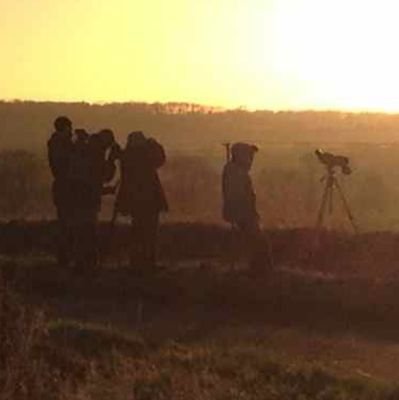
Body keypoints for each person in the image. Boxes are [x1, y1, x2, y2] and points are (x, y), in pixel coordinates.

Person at [115, 131, 168, 272]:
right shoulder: (146, 156)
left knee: (138, 232)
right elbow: (160, 160)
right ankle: (148, 262)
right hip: (149, 200)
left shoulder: (127, 156)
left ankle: (137, 262)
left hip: (134, 200)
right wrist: (154, 144)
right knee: (149, 233)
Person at [72, 129, 120, 271]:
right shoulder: (95, 153)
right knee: (88, 232)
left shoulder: (87, 149)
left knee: (83, 231)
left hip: (81, 197)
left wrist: (104, 190)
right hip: (87, 199)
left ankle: (82, 262)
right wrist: (111, 160)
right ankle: (87, 264)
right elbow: (103, 176)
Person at [222, 142, 268, 272]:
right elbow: (239, 196)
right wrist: (250, 212)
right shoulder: (235, 172)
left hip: (241, 212)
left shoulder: (233, 170)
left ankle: (258, 267)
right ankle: (260, 269)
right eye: (249, 156)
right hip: (242, 213)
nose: (251, 160)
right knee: (259, 241)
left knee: (256, 240)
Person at [47, 116, 74, 267]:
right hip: (65, 188)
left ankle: (65, 258)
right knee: (67, 225)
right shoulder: (60, 144)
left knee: (66, 224)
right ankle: (64, 258)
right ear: (65, 128)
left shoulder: (56, 143)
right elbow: (64, 164)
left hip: (62, 188)